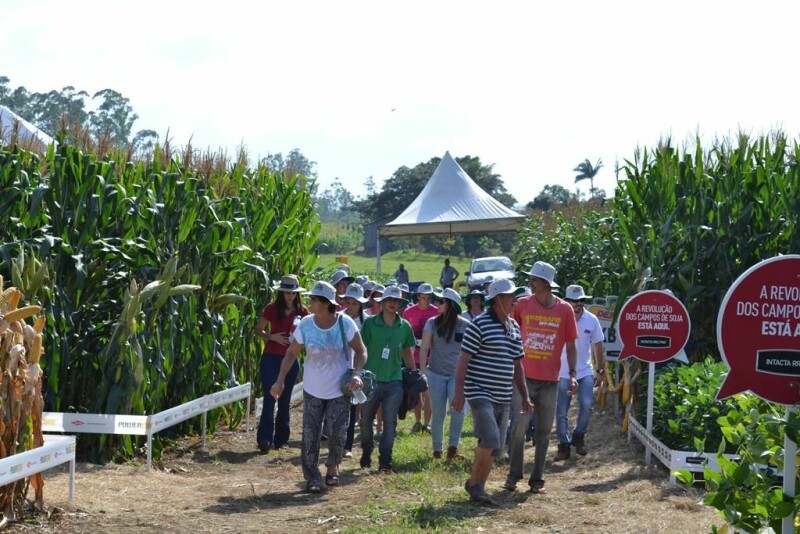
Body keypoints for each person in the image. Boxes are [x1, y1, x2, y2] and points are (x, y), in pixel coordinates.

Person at [270, 281, 366, 493]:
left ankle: (332, 467)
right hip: (313, 389)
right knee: (310, 435)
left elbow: (361, 351)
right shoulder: (305, 325)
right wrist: (280, 380)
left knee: (337, 433)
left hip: (340, 390)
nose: (309, 302)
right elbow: (291, 354)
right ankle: (312, 477)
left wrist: (357, 375)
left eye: (313, 299)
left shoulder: (345, 323)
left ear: (325, 303)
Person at [453, 278, 532, 506]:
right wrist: (459, 393)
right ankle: (474, 483)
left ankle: (478, 486)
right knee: (489, 438)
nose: (514, 300)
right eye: (510, 296)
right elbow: (463, 360)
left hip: (503, 395)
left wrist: (525, 396)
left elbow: (518, 365)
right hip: (479, 392)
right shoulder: (478, 325)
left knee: (495, 447)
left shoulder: (514, 327)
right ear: (498, 299)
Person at [505, 261, 578, 495]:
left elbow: (570, 346)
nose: (530, 283)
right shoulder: (523, 305)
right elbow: (510, 331)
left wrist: (573, 374)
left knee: (544, 432)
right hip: (523, 379)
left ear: (545, 283)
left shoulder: (565, 310)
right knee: (519, 426)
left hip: (550, 381)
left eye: (534, 280)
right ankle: (514, 474)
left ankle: (537, 480)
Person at [360, 285, 417, 473]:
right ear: (382, 303)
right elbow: (361, 351)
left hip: (394, 381)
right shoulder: (369, 324)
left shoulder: (405, 326)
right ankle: (367, 450)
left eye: (396, 301)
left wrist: (414, 376)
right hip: (371, 380)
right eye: (389, 300)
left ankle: (385, 461)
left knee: (390, 421)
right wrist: (356, 372)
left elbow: (407, 353)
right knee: (366, 421)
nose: (393, 303)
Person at [254, 274, 309, 453]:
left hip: (291, 359)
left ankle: (281, 439)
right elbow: (258, 330)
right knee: (270, 397)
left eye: (292, 294)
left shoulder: (303, 312)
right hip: (271, 356)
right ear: (281, 293)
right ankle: (265, 438)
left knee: (285, 400)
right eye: (286, 293)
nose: (289, 296)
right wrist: (272, 336)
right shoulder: (271, 308)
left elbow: (309, 334)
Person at [554, 284, 605, 459]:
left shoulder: (592, 320)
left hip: (584, 371)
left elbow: (598, 345)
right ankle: (563, 445)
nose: (578, 304)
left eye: (581, 300)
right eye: (574, 301)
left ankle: (579, 435)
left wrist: (600, 370)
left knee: (587, 404)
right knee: (561, 411)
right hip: (562, 372)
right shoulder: (559, 320)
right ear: (566, 301)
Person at [419, 288, 469, 460]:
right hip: (436, 374)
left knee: (458, 411)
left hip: (457, 375)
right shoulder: (432, 323)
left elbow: (469, 352)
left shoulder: (465, 325)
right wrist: (423, 372)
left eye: (441, 301)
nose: (437, 303)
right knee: (438, 412)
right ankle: (437, 450)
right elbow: (424, 348)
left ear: (451, 305)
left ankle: (453, 448)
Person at [403, 283, 438, 433]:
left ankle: (427, 422)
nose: (427, 300)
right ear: (418, 297)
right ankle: (417, 421)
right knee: (416, 389)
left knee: (429, 391)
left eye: (429, 297)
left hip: (431, 354)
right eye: (424, 297)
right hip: (413, 354)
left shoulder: (436, 312)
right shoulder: (408, 312)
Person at [340, 283, 370, 459]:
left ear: (360, 304)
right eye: (348, 303)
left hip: (357, 368)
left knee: (353, 407)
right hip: (340, 366)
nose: (350, 307)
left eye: (354, 303)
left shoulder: (366, 322)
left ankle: (347, 445)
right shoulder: (338, 319)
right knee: (340, 405)